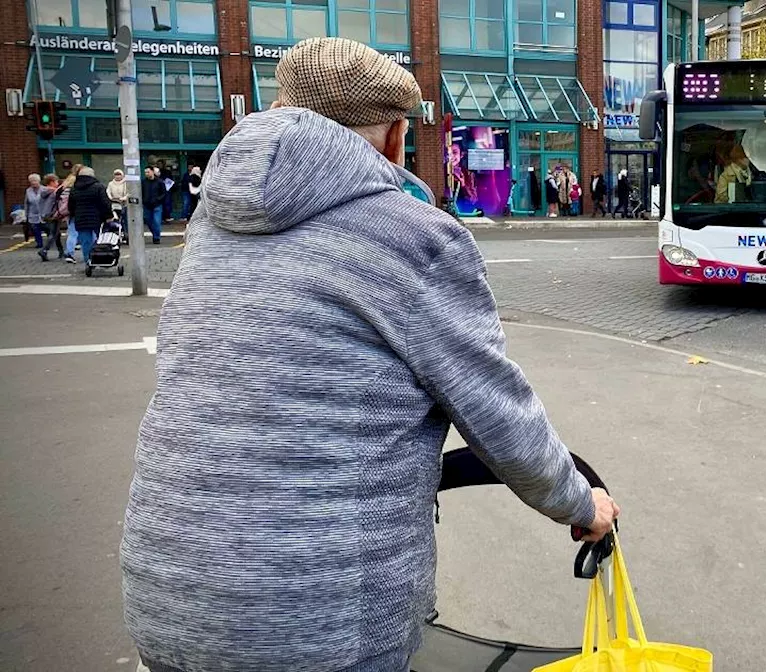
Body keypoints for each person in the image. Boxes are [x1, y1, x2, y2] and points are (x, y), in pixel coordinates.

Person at [120, 37, 619, 672]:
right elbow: (498, 415)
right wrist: (582, 504)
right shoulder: (412, 235)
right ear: (394, 137)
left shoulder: (212, 225)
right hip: (318, 617)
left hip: (164, 588)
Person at [67, 167, 112, 268]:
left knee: (85, 242)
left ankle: (89, 261)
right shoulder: (98, 187)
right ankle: (102, 259)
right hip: (97, 218)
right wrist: (109, 216)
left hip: (81, 219)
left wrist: (74, 215)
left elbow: (71, 205)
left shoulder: (74, 188)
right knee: (100, 239)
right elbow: (105, 203)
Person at [37, 174, 66, 261]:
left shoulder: (43, 190)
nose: (57, 183)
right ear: (52, 182)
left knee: (57, 233)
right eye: (56, 181)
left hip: (45, 214)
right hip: (52, 215)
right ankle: (44, 250)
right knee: (53, 233)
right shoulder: (53, 191)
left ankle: (61, 251)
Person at [24, 173, 50, 251]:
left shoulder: (45, 189)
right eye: (31, 181)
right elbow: (26, 202)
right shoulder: (28, 190)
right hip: (33, 213)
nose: (33, 182)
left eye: (35, 181)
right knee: (36, 229)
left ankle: (50, 243)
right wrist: (26, 214)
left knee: (47, 229)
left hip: (44, 213)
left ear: (39, 181)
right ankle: (39, 243)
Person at [141, 167, 165, 244]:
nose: (146, 174)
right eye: (145, 172)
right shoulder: (143, 182)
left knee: (156, 221)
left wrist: (158, 199)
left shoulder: (160, 182)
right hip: (147, 205)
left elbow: (164, 193)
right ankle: (155, 233)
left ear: (152, 172)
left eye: (148, 172)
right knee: (148, 221)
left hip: (157, 205)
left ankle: (156, 237)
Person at [107, 169, 129, 243]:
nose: (117, 176)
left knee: (125, 220)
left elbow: (128, 193)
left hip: (123, 204)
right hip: (114, 204)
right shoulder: (111, 184)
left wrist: (123, 198)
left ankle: (126, 234)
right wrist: (110, 198)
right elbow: (108, 192)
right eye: (116, 175)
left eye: (119, 174)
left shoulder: (125, 183)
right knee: (115, 219)